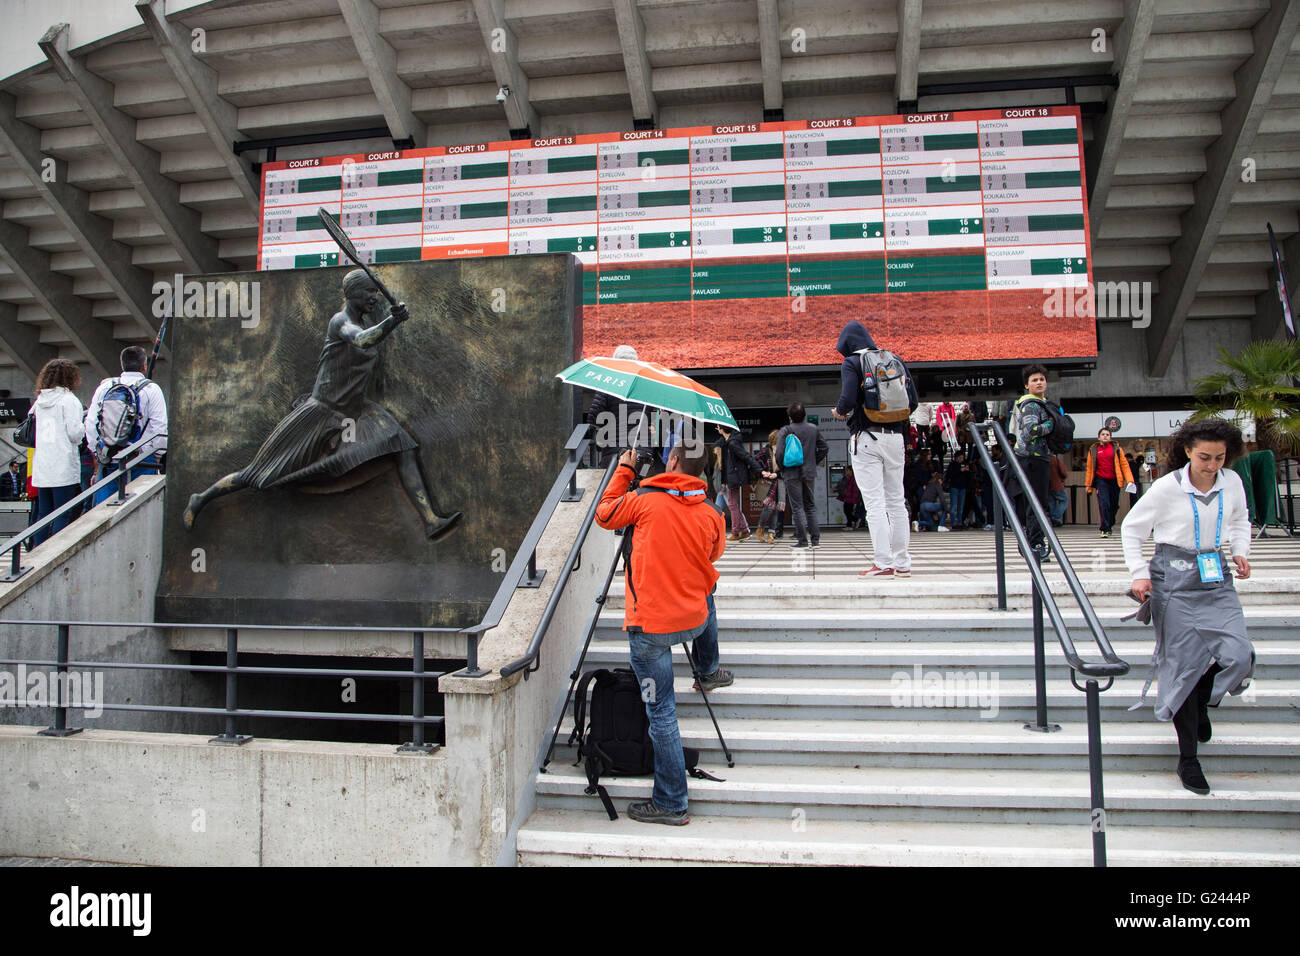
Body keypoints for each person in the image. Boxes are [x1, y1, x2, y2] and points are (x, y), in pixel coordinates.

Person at [182, 271, 461, 537]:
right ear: (353, 294)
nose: (375, 297)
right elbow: (363, 340)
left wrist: (389, 322)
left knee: (405, 447)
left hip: (356, 412)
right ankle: (202, 497)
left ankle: (430, 521)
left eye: (377, 292)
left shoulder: (361, 322)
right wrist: (392, 321)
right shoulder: (340, 322)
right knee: (258, 474)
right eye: (369, 292)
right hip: (321, 414)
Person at [594, 441, 731, 825]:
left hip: (651, 629)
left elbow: (605, 514)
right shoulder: (711, 510)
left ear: (672, 461)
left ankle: (672, 801)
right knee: (708, 589)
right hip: (693, 619)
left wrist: (625, 468)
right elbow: (713, 556)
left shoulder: (643, 500)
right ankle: (708, 669)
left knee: (662, 711)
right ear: (702, 470)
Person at [1122, 419, 1253, 796]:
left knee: (1238, 655)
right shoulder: (1166, 488)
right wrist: (1138, 573)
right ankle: (1188, 759)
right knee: (1182, 667)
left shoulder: (1232, 483)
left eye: (1219, 457)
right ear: (1187, 452)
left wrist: (1240, 551)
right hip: (1173, 578)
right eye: (1204, 457)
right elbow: (1132, 529)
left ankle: (1204, 701)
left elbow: (1241, 519)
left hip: (1215, 575)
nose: (1212, 465)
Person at [832, 321, 918, 576]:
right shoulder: (894, 359)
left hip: (867, 438)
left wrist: (839, 412)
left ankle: (883, 562)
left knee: (875, 504)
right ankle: (902, 563)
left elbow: (847, 399)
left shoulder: (852, 362)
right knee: (896, 501)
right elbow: (912, 402)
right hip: (896, 438)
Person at [85, 346, 168, 506]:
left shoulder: (105, 388)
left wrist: (99, 452)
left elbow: (90, 425)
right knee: (140, 509)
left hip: (108, 459)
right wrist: (156, 455)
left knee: (105, 511)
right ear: (144, 366)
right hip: (142, 460)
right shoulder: (152, 389)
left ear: (122, 365)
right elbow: (160, 429)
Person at [30, 359, 86, 547]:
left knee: (43, 513)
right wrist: (83, 429)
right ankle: (55, 550)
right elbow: (74, 433)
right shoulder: (69, 400)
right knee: (63, 512)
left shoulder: (40, 401)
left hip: (42, 466)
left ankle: (37, 551)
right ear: (71, 377)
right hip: (62, 465)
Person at [1007, 364, 1056, 561]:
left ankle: (1034, 541)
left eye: (1042, 379)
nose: (1039, 382)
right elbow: (1029, 432)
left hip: (1038, 458)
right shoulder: (1031, 405)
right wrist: (1052, 424)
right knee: (1037, 503)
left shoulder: (1041, 403)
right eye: (1034, 380)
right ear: (1027, 385)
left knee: (1038, 503)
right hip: (1032, 459)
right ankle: (1035, 543)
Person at [587, 344, 653, 470]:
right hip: (643, 454)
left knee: (614, 488)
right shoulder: (647, 387)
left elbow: (593, 417)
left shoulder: (608, 384)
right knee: (641, 487)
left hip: (615, 454)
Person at [776, 402, 827, 550]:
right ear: (804, 414)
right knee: (810, 506)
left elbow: (779, 453)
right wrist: (813, 461)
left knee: (797, 507)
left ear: (790, 417)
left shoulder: (786, 430)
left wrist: (782, 468)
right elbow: (824, 447)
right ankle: (815, 540)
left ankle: (803, 541)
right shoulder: (813, 429)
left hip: (791, 473)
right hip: (809, 472)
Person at [1085, 427, 1135, 537]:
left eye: (1107, 434)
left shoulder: (1116, 448)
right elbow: (1089, 468)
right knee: (1104, 504)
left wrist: (1130, 480)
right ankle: (1105, 528)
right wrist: (1088, 485)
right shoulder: (1093, 449)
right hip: (1101, 481)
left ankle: (1109, 523)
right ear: (1099, 437)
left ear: (1110, 437)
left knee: (1114, 505)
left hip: (1114, 481)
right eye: (1103, 434)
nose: (1105, 436)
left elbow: (1124, 465)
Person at [715, 425, 761, 542]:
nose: (716, 428)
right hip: (730, 478)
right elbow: (725, 465)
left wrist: (760, 470)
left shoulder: (732, 443)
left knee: (732, 505)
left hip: (734, 478)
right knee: (733, 505)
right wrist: (724, 481)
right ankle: (744, 531)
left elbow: (746, 457)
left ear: (722, 429)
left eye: (718, 426)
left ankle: (736, 531)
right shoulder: (726, 442)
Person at [754, 428, 785, 543]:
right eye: (776, 443)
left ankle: (771, 533)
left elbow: (785, 468)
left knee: (776, 509)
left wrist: (777, 474)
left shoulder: (784, 451)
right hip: (768, 483)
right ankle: (760, 529)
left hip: (780, 482)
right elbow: (754, 461)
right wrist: (763, 471)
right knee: (769, 507)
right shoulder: (766, 451)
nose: (778, 446)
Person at [944, 451, 970, 529]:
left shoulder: (964, 464)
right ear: (956, 458)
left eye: (962, 457)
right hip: (954, 487)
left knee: (960, 507)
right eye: (960, 458)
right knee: (953, 506)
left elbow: (968, 476)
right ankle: (954, 523)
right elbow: (950, 475)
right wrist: (960, 471)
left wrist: (966, 471)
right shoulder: (952, 465)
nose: (961, 459)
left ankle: (960, 522)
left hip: (962, 487)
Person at [837, 465, 864, 529]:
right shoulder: (849, 478)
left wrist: (855, 500)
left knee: (848, 511)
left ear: (851, 471)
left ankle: (852, 523)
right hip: (848, 498)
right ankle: (852, 522)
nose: (846, 471)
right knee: (847, 511)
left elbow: (855, 490)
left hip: (851, 498)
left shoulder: (853, 479)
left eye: (847, 470)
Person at [1049, 453, 1069, 527]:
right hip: (1057, 484)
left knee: (1051, 502)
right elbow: (1064, 473)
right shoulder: (1056, 460)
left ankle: (1053, 518)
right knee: (1064, 500)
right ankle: (1056, 517)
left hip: (1047, 485)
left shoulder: (1044, 459)